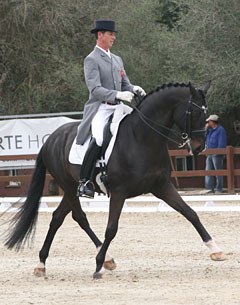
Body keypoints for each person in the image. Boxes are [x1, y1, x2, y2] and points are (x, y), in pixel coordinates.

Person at [76, 19, 146, 198]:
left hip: (118, 107)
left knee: (139, 127)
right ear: (100, 35)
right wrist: (117, 95)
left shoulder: (117, 59)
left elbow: (125, 83)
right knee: (99, 138)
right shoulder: (91, 59)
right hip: (100, 107)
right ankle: (84, 182)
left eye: (114, 34)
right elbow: (95, 89)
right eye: (110, 34)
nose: (113, 37)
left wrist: (133, 88)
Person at [204, 114, 227, 194]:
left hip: (217, 154)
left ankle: (219, 189)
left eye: (209, 121)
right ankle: (209, 188)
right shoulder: (209, 131)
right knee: (208, 171)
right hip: (209, 153)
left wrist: (218, 152)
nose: (207, 123)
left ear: (213, 122)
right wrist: (205, 130)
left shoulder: (220, 130)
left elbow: (221, 142)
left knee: (218, 172)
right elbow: (205, 140)